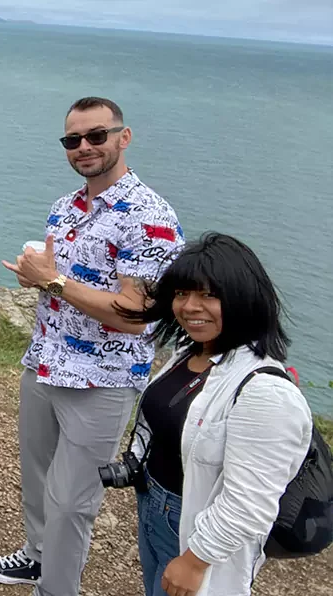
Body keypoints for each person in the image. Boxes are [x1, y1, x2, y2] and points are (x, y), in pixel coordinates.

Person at [0, 97, 184, 596]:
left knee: (72, 503)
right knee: (38, 479)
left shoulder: (149, 216)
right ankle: (36, 558)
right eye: (73, 140)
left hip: (102, 382)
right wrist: (39, 279)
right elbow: (64, 282)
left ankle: (57, 589)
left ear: (123, 136)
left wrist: (52, 283)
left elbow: (137, 316)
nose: (84, 147)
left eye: (96, 136)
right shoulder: (65, 207)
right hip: (46, 364)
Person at [116, 232, 312, 596]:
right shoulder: (194, 354)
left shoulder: (264, 392)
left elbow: (250, 501)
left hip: (198, 529)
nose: (190, 306)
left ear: (243, 298)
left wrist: (195, 560)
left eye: (209, 294)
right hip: (157, 506)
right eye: (182, 294)